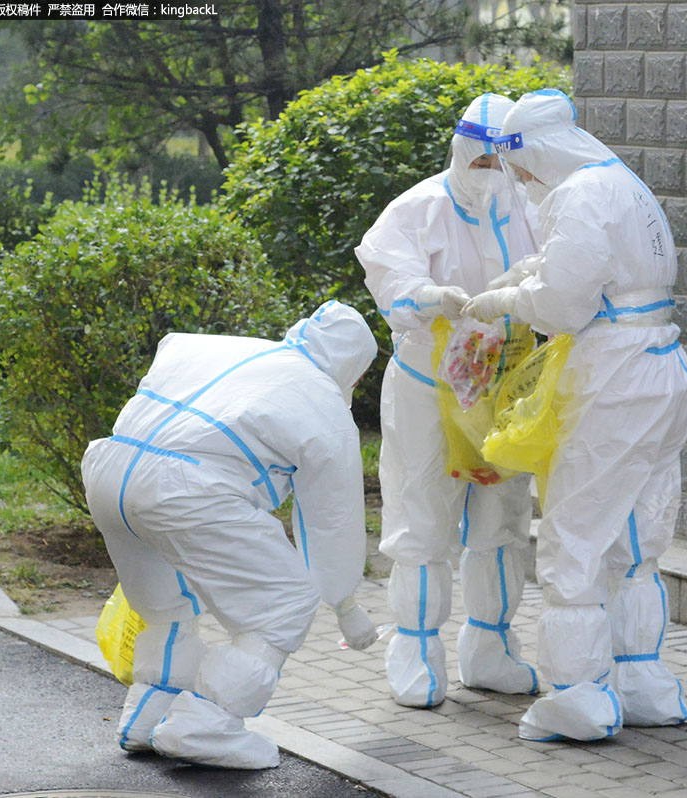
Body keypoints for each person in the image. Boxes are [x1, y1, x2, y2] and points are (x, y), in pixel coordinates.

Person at [463, 88, 687, 741]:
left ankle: (577, 698)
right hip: (662, 368)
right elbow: (594, 264)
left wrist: (506, 300)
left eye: (522, 166)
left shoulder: (579, 194)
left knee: (574, 539)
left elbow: (564, 304)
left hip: (615, 378)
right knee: (634, 539)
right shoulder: (619, 183)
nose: (522, 180)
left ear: (534, 152)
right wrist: (526, 274)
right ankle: (642, 682)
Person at [80, 301, 379, 769]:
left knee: (169, 605)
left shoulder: (220, 347)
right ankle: (205, 725)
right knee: (285, 602)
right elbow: (330, 519)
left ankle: (146, 714)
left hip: (108, 470)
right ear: (352, 369)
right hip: (188, 490)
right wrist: (345, 603)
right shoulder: (322, 400)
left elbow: (168, 353)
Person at [354, 92, 540, 708]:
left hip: (506, 385)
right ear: (460, 150)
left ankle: (489, 647)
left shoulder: (530, 205)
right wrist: (434, 297)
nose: (491, 174)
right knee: (423, 513)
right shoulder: (417, 209)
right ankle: (414, 647)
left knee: (503, 517)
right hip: (429, 388)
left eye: (500, 162)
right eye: (479, 161)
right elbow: (392, 281)